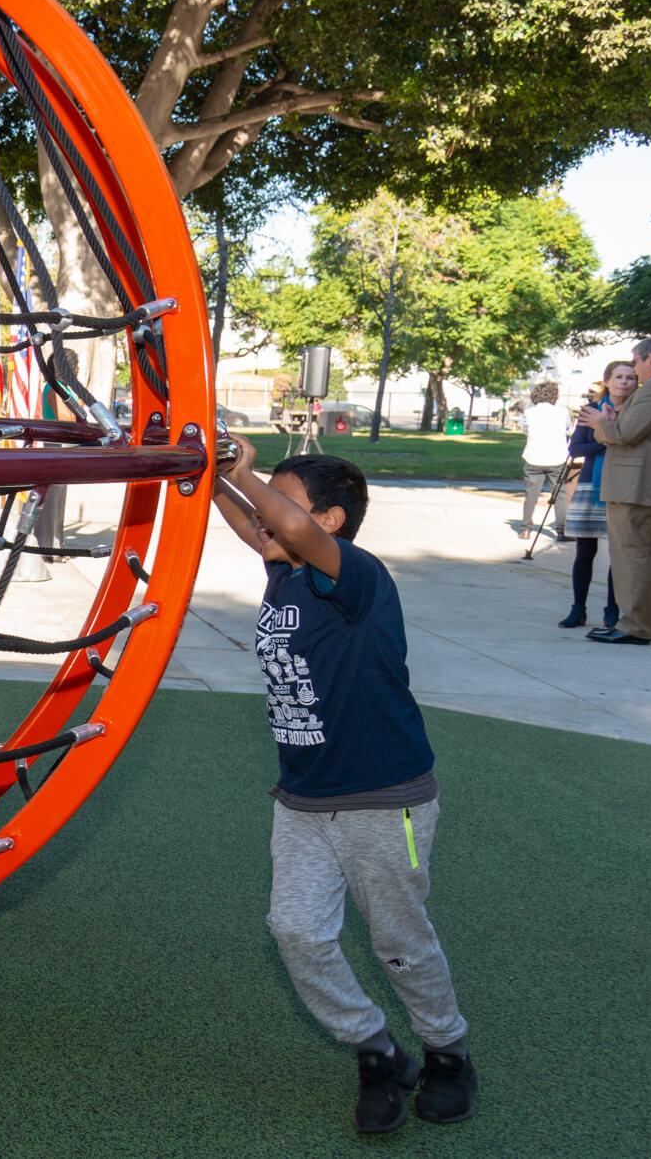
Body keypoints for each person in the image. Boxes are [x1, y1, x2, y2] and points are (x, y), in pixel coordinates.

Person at [211, 437, 474, 1133]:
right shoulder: (286, 571)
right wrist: (210, 476)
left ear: (328, 523)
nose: (266, 518)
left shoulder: (355, 576)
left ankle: (447, 1050)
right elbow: (258, 526)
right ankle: (375, 1048)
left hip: (385, 800)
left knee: (399, 937)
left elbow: (282, 526)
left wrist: (242, 475)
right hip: (303, 799)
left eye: (282, 501)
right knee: (295, 930)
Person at [580, 336, 651, 646]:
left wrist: (601, 422)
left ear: (650, 358)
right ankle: (641, 621)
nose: (635, 369)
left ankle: (634, 625)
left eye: (636, 361)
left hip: (635, 486)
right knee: (647, 555)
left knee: (631, 555)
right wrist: (615, 420)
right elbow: (648, 431)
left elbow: (627, 434)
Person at [559, 363, 636, 629]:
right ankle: (578, 608)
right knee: (585, 550)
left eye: (630, 378)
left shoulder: (637, 412)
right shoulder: (591, 411)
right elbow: (576, 448)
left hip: (622, 487)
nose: (624, 382)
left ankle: (612, 608)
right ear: (607, 381)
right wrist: (606, 440)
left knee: (618, 552)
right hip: (591, 483)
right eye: (619, 377)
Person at [517, 381, 570, 537]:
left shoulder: (529, 412)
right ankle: (562, 530)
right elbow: (568, 429)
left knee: (531, 495)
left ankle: (526, 528)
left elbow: (526, 431)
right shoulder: (562, 412)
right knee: (560, 495)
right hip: (557, 457)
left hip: (534, 457)